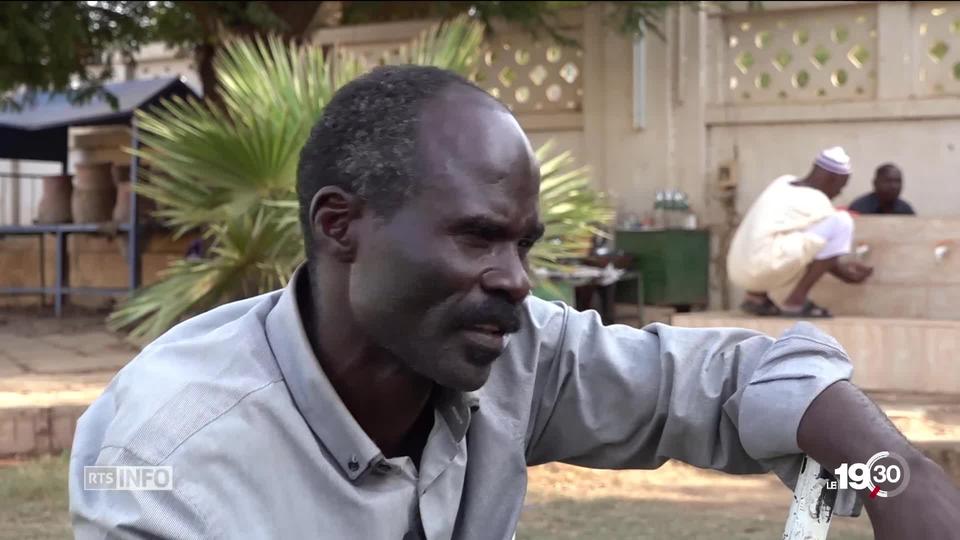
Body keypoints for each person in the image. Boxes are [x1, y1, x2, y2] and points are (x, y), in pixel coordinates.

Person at [69, 67, 959, 539]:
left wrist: (895, 477)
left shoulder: (511, 356)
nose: (517, 279)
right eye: (477, 236)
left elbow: (733, 380)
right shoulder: (168, 464)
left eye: (523, 244)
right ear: (341, 225)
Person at [728, 147, 875, 318]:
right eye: (840, 186)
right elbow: (821, 250)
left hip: (737, 271)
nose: (839, 192)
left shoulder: (782, 183)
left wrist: (840, 270)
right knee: (842, 222)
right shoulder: (818, 202)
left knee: (777, 238)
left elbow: (810, 245)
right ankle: (795, 302)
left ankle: (755, 298)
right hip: (763, 269)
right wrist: (845, 274)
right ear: (831, 179)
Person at [849, 163, 916, 215]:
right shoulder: (859, 207)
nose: (894, 186)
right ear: (875, 183)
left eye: (898, 181)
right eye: (888, 181)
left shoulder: (905, 210)